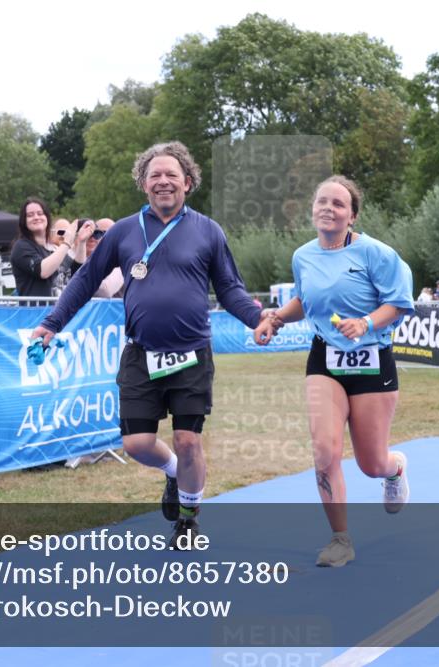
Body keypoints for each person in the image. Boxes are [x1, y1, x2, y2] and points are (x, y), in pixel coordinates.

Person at [30, 141, 266, 549]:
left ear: (187, 182)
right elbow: (85, 282)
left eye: (172, 174)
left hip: (192, 353)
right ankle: (173, 473)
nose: (163, 181)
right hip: (141, 353)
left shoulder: (208, 231)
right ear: (143, 184)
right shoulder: (123, 232)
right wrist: (51, 324)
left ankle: (188, 521)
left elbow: (229, 289)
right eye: (154, 175)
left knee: (188, 441)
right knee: (136, 444)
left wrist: (257, 318)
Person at [254, 176, 414, 568]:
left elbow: (398, 302)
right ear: (313, 210)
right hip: (325, 358)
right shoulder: (303, 256)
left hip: (371, 359)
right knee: (325, 450)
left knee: (370, 464)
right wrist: (276, 319)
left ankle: (394, 469)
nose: (328, 208)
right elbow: (305, 300)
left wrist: (366, 323)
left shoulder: (376, 254)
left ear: (352, 216)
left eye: (338, 204)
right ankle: (340, 539)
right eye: (322, 201)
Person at [9, 197, 74, 298]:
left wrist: (82, 241)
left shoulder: (53, 248)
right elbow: (43, 271)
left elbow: (76, 269)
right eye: (30, 215)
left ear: (47, 217)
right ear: (24, 221)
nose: (36, 217)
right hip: (37, 308)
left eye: (40, 213)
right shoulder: (21, 247)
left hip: (60, 307)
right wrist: (66, 243)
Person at [71, 217, 124, 298]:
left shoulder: (119, 262)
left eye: (104, 234)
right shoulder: (76, 256)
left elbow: (105, 291)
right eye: (94, 232)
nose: (93, 237)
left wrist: (80, 279)